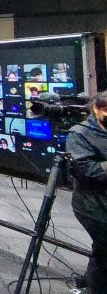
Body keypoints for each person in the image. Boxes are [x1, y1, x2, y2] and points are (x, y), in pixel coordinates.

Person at [66, 91, 107, 294]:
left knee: (102, 251)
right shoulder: (79, 133)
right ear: (96, 109)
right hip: (91, 204)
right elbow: (86, 170)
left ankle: (91, 285)